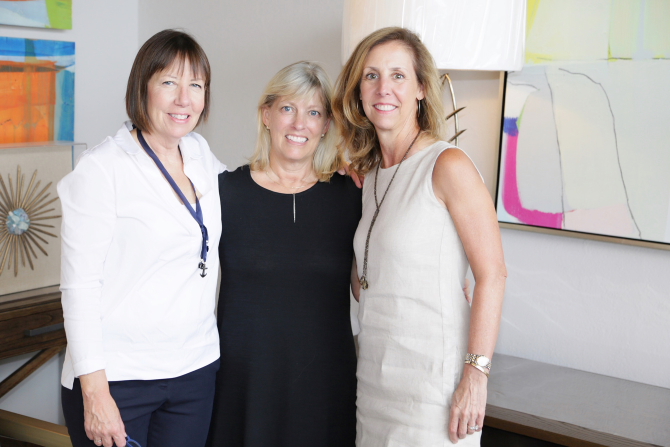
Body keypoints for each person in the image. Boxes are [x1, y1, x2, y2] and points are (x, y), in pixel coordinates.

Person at [333, 27, 507, 445]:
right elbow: (366, 284)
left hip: (434, 388)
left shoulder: (447, 165)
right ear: (359, 91)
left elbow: (493, 274)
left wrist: (476, 375)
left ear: (421, 89)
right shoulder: (369, 178)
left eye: (398, 75)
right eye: (371, 76)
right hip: (375, 381)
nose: (383, 88)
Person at [58, 30, 225, 447]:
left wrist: (330, 174)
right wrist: (95, 393)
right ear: (142, 87)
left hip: (194, 371)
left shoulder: (200, 154)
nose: (184, 99)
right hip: (118, 380)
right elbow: (79, 287)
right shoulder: (102, 169)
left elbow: (257, 193)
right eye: (169, 82)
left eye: (196, 85)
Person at [205, 61, 360, 447]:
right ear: (267, 115)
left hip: (326, 383)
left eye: (314, 113)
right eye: (288, 108)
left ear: (326, 125)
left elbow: (372, 281)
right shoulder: (224, 192)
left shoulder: (350, 195)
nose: (299, 124)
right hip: (244, 384)